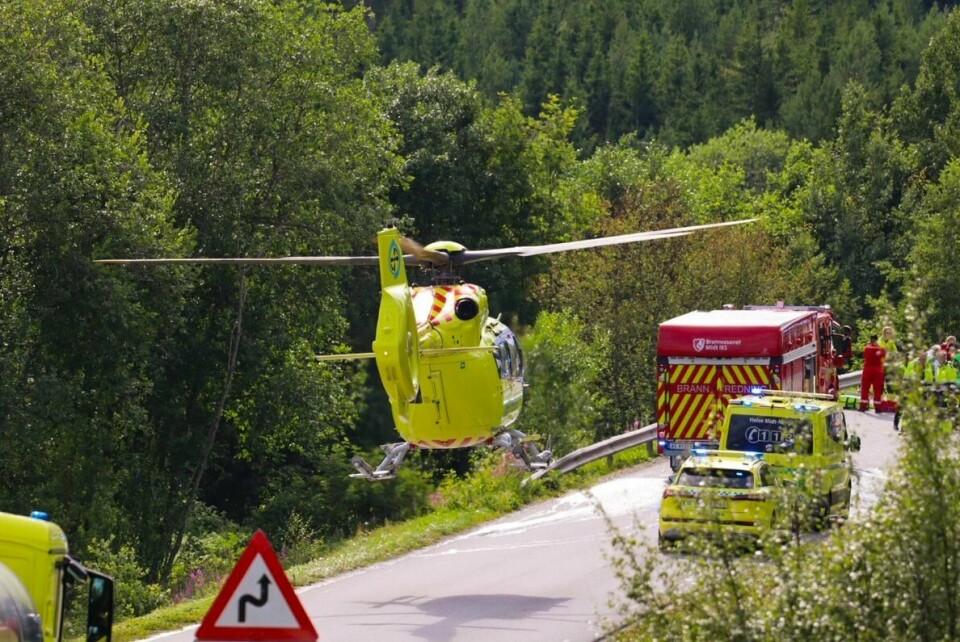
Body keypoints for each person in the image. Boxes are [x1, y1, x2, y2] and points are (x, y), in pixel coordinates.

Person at [860, 334, 887, 411]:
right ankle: (877, 408)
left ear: (870, 340)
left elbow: (865, 355)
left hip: (867, 370)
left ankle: (863, 406)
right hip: (878, 370)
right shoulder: (882, 349)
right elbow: (884, 357)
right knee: (878, 390)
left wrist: (869, 344)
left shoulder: (866, 348)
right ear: (877, 340)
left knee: (865, 389)